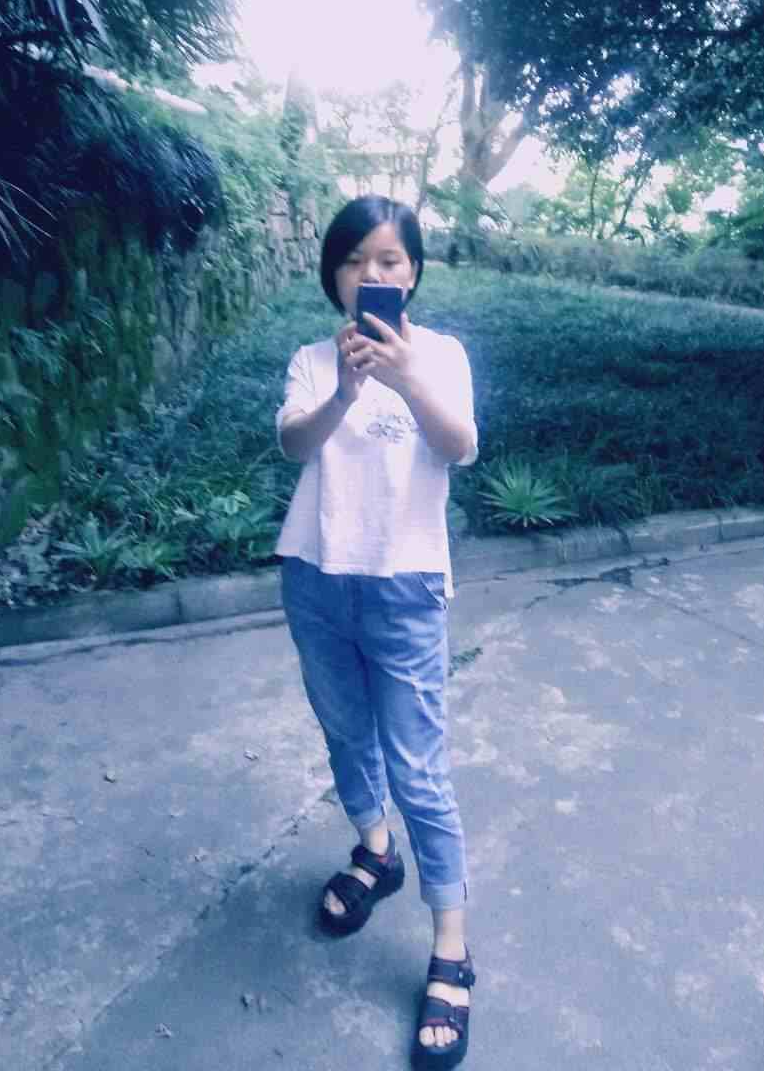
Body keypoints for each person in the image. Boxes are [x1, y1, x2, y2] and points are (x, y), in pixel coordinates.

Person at [275, 194, 479, 1069]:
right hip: (315, 577)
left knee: (419, 768)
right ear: (334, 274)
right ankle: (375, 853)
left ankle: (451, 950)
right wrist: (347, 390)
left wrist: (401, 378)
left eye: (389, 260)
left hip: (404, 587)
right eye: (356, 260)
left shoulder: (443, 355)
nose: (372, 275)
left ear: (414, 271)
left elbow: (459, 445)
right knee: (345, 733)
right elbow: (294, 445)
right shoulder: (312, 359)